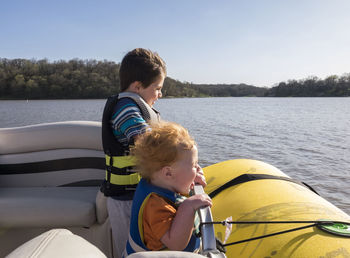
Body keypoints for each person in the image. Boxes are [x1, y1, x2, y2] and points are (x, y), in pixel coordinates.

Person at [100, 48, 167, 257]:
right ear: (137, 86)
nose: (160, 94)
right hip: (125, 200)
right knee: (131, 252)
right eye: (157, 88)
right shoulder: (126, 109)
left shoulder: (134, 105)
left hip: (137, 194)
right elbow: (149, 143)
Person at [123, 121, 212, 256]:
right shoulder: (155, 205)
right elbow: (176, 244)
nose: (198, 169)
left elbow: (178, 182)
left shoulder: (157, 181)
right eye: (194, 165)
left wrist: (190, 176)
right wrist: (188, 206)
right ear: (168, 173)